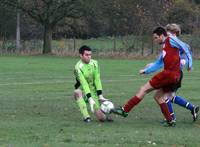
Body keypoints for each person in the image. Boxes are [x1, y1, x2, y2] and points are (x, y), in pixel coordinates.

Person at [112, 26, 182, 126]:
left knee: (143, 89)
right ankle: (170, 121)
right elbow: (159, 63)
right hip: (175, 76)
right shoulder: (167, 45)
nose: (155, 40)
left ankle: (125, 110)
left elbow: (185, 48)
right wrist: (147, 70)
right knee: (158, 97)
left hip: (168, 74)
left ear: (162, 35)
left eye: (156, 38)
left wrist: (145, 71)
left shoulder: (170, 41)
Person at [140, 23, 199, 122]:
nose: (167, 35)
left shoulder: (175, 43)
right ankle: (191, 108)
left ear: (174, 33)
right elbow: (162, 60)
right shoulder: (168, 43)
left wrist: (187, 63)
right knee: (169, 96)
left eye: (168, 33)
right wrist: (151, 67)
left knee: (163, 96)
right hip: (173, 74)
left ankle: (171, 118)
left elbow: (187, 51)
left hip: (175, 74)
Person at [74, 45, 112, 123]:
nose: (89, 57)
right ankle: (86, 117)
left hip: (92, 90)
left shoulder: (95, 63)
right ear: (81, 55)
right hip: (83, 90)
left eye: (90, 54)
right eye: (86, 55)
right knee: (77, 92)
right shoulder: (78, 68)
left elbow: (97, 80)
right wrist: (90, 98)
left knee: (102, 119)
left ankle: (105, 113)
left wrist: (100, 95)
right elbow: (84, 84)